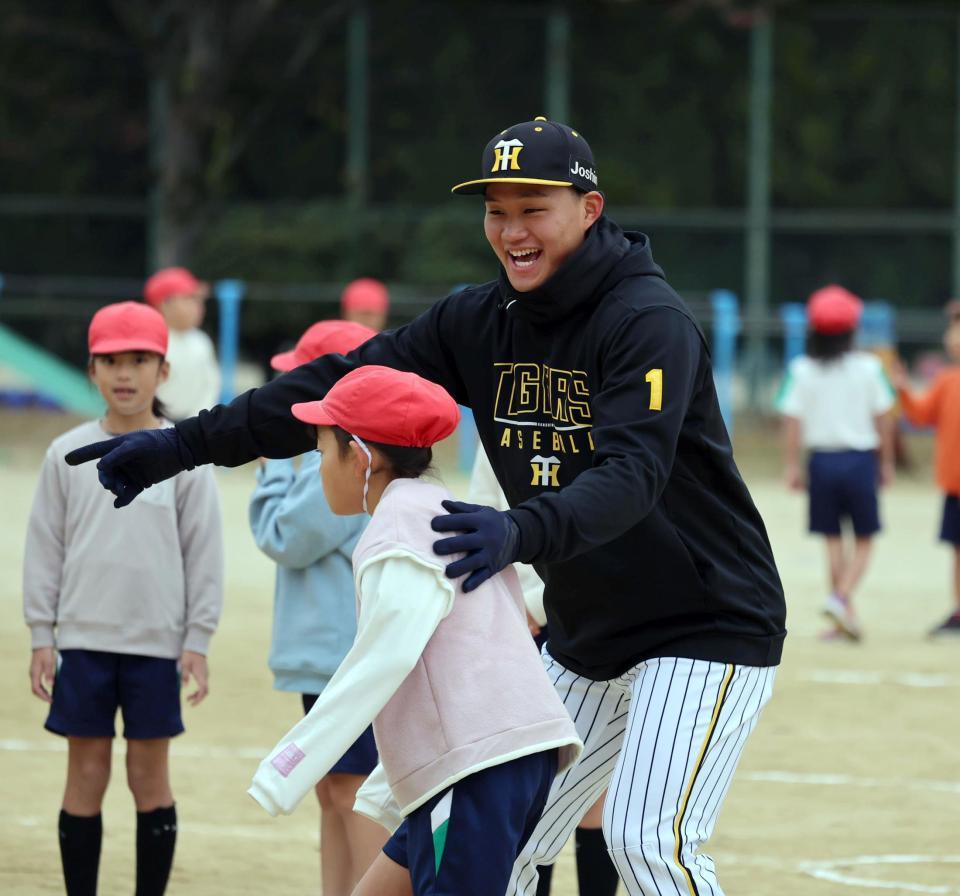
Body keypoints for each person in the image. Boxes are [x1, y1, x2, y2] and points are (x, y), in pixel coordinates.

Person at [66, 116, 787, 896]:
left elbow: (633, 474)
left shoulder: (647, 323)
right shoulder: (481, 322)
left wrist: (519, 531)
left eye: (532, 208)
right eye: (495, 210)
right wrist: (183, 445)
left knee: (646, 841)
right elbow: (336, 388)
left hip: (706, 621)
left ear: (589, 207)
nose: (511, 230)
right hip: (591, 629)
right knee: (501, 842)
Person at [247, 365, 583, 896]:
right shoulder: (445, 510)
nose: (317, 469)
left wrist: (286, 767)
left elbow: (382, 658)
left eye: (321, 452)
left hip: (475, 770)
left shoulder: (398, 531)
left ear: (361, 456)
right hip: (496, 761)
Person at [24, 301, 223, 896]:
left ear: (163, 370)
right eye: (111, 360)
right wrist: (42, 634)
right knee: (84, 774)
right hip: (82, 641)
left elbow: (203, 551)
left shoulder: (182, 456)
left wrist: (197, 639)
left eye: (140, 359)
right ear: (91, 369)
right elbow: (45, 547)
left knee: (149, 779)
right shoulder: (65, 453)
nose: (125, 373)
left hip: (156, 646)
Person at [249, 319, 386, 894]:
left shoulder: (340, 463)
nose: (287, 401)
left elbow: (283, 534)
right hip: (332, 656)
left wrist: (273, 458)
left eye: (298, 384)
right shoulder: (328, 460)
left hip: (342, 657)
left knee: (353, 795)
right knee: (335, 791)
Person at [468, 449, 618, 896]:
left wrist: (537, 605)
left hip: (591, 617)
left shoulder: (599, 410)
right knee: (534, 788)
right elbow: (484, 510)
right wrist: (513, 606)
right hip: (517, 622)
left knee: (593, 788)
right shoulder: (501, 414)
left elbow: (612, 512)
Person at [777, 285, 895, 641]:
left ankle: (842, 616)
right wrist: (886, 462)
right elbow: (884, 417)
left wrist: (792, 466)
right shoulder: (870, 368)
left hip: (821, 462)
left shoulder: (800, 369)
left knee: (831, 539)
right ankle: (841, 598)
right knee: (865, 537)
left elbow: (792, 421)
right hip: (859, 460)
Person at [892, 303, 960, 636]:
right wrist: (903, 388)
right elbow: (920, 416)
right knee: (958, 551)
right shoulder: (947, 380)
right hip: (955, 486)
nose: (952, 336)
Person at [144, 266, 221, 420]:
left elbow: (211, 384)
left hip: (193, 427)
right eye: (189, 298)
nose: (198, 306)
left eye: (199, 299)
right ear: (165, 304)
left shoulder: (201, 341)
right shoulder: (148, 342)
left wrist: (197, 421)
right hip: (156, 427)